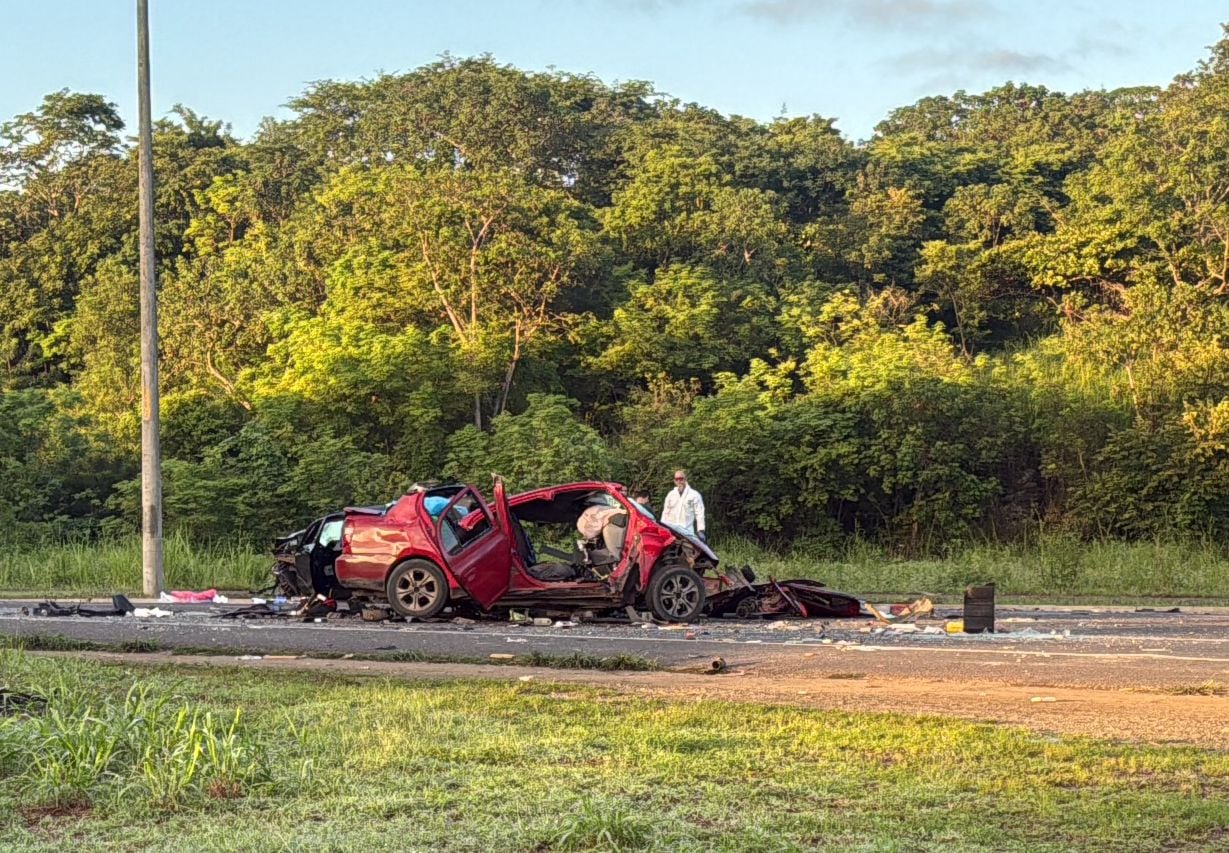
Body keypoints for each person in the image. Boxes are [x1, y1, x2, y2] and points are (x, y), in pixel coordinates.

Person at [661, 470, 706, 540]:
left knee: (687, 550)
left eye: (681, 479)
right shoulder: (670, 495)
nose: (679, 481)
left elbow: (699, 513)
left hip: (687, 533)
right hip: (671, 532)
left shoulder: (694, 495)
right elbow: (665, 513)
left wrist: (701, 530)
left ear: (685, 479)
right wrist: (662, 528)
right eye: (677, 479)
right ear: (674, 481)